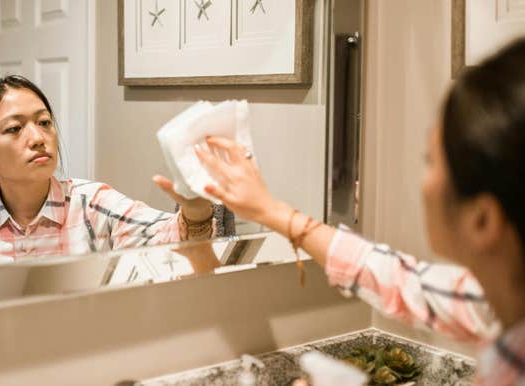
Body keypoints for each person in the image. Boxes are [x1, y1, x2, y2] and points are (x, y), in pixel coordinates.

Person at [195, 38, 525, 385]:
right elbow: (400, 280)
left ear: (483, 220)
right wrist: (271, 211)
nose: (422, 179)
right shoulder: (495, 300)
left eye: (430, 160)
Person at [0, 75, 215, 269]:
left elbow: (172, 239)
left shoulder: (92, 204)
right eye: (14, 128)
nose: (37, 137)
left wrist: (196, 208)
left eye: (44, 122)